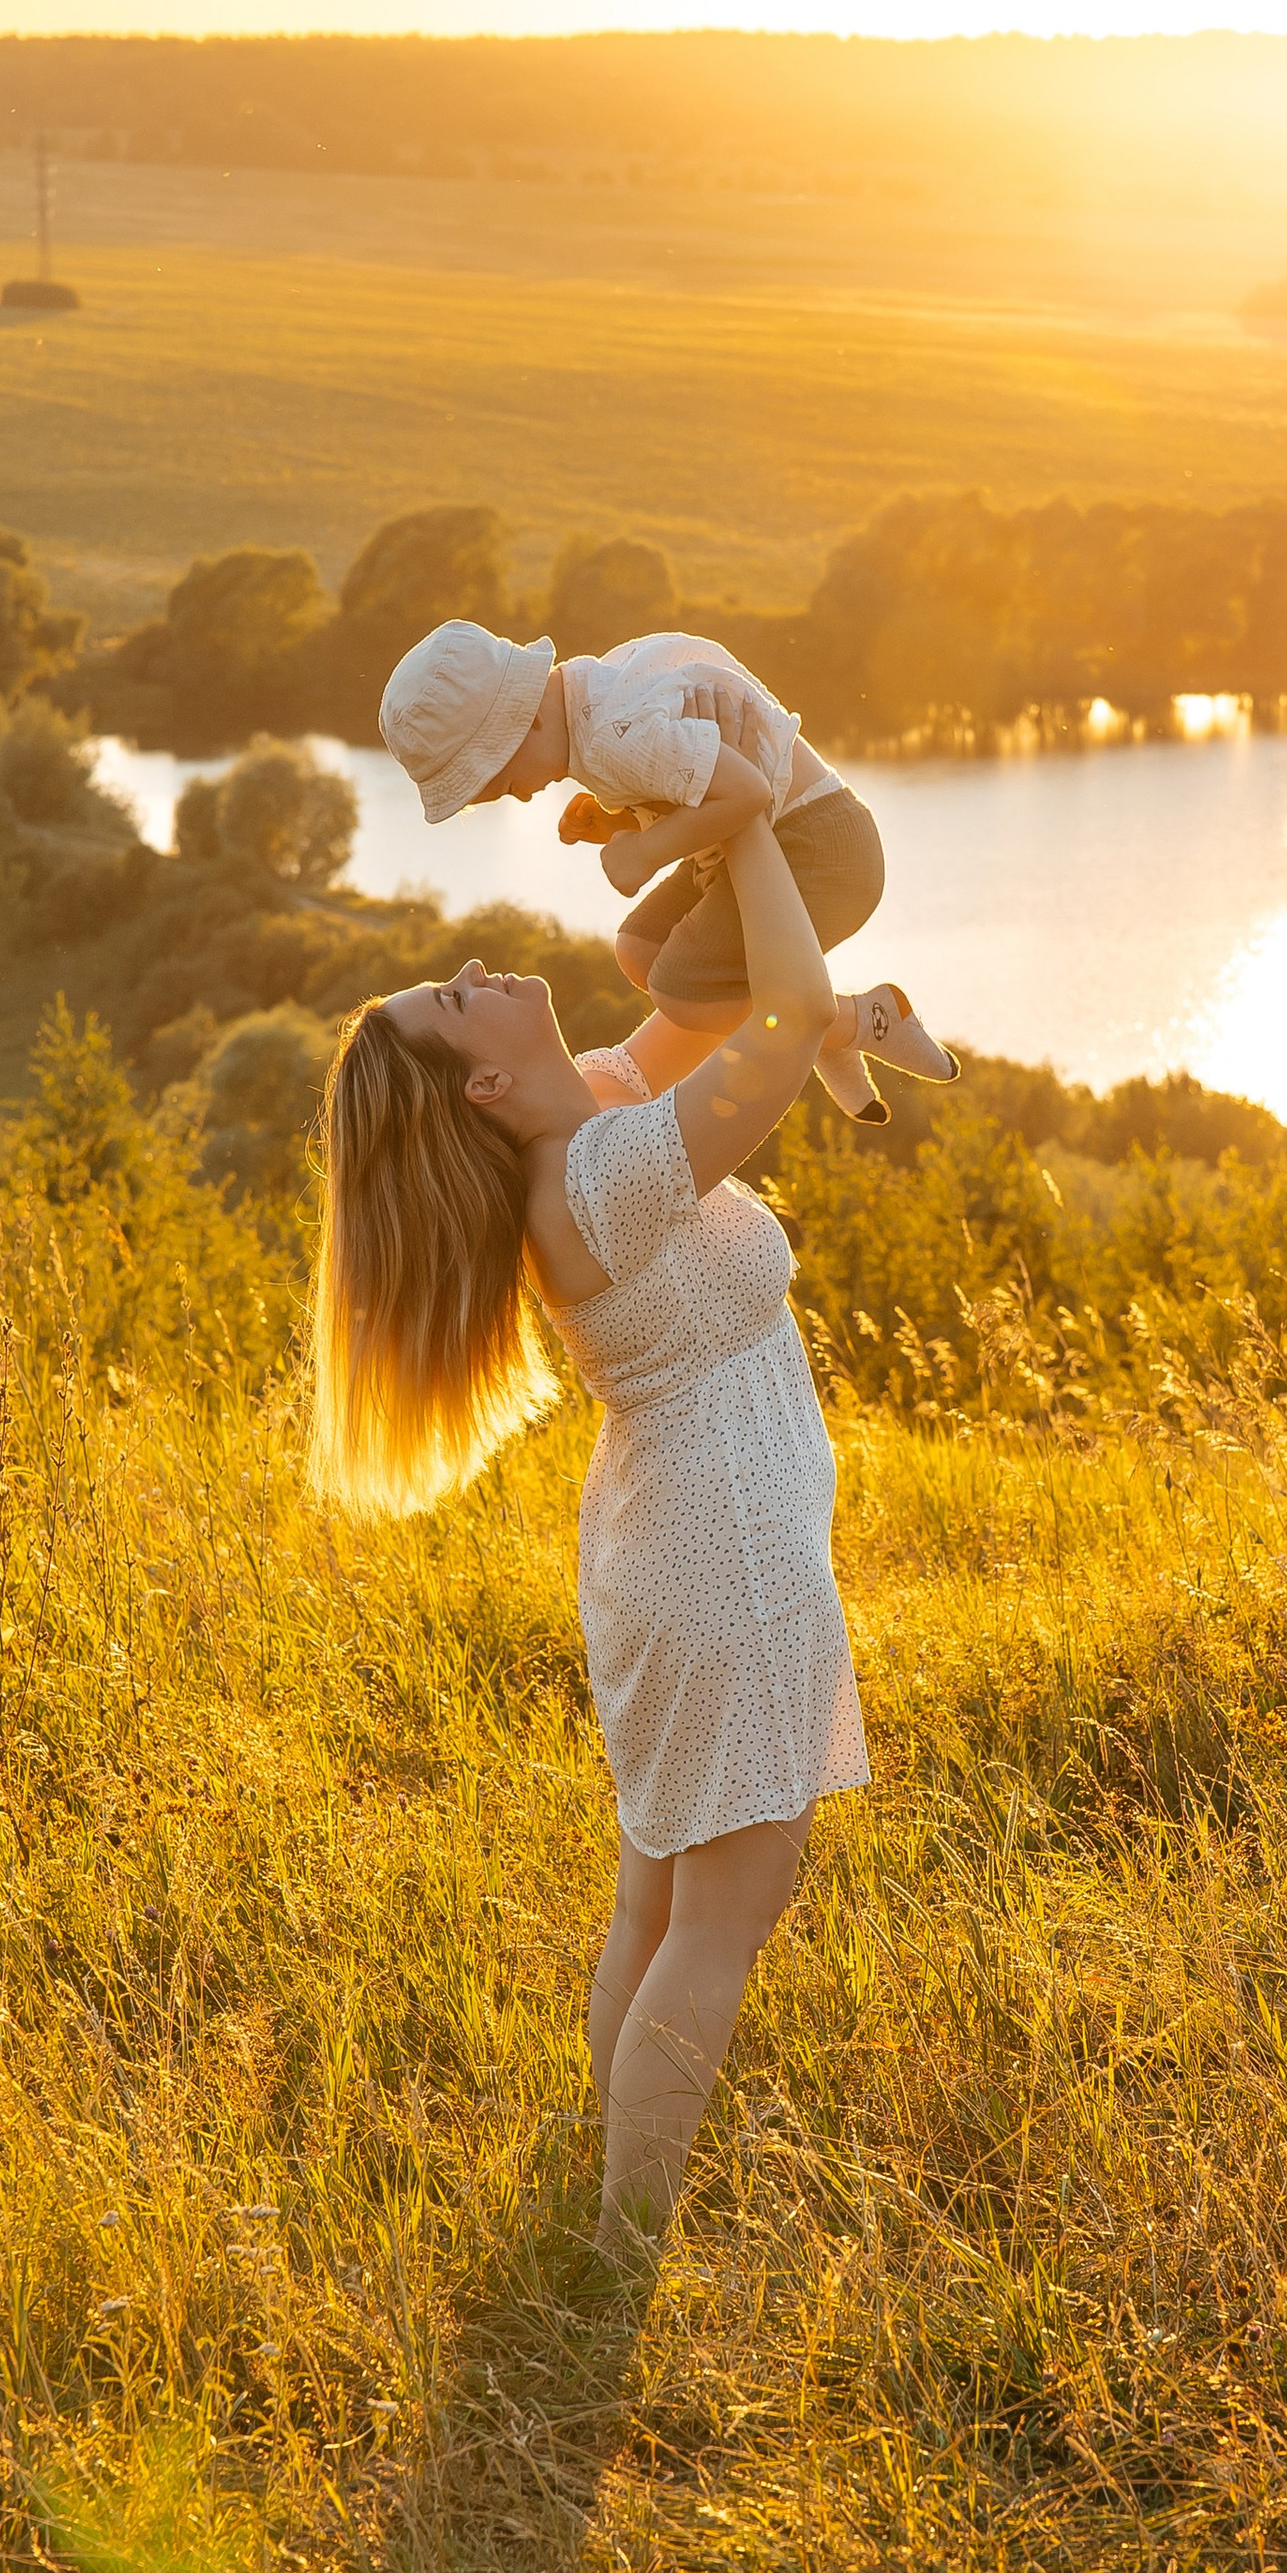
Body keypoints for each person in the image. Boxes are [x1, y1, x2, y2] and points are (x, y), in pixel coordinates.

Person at [311, 812, 865, 2259]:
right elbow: (791, 1015)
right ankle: (624, 2251)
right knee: (719, 1922)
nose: (479, 965)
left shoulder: (600, 1115)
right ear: (485, 1077)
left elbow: (712, 1005)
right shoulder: (606, 1177)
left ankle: (598, 2195)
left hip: (670, 1549)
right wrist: (753, 824)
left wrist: (693, 855)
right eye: (454, 994)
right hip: (718, 1558)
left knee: (659, 1901)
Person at [378, 618, 960, 1125]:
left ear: (519, 724)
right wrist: (618, 824)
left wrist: (643, 853)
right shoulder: (592, 694)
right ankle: (830, 1027)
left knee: (681, 993)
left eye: (506, 784)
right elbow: (686, 780)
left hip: (821, 849)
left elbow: (748, 793)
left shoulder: (610, 734)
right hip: (751, 846)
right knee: (638, 949)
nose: (525, 799)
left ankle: (863, 1018)